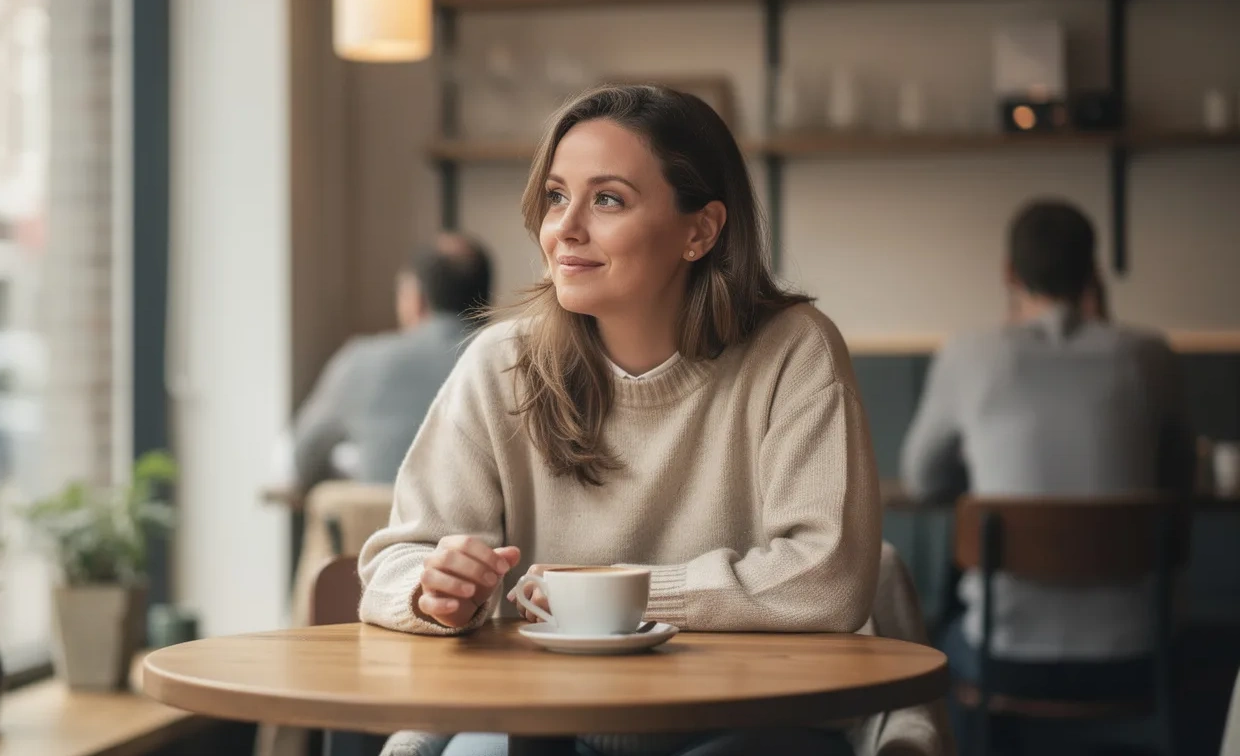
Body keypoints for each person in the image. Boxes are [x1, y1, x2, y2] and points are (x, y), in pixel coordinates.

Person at [358, 85, 881, 756]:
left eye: (607, 199)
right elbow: (396, 561)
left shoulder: (794, 351)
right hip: (547, 720)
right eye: (555, 196)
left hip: (742, 726)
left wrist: (607, 596)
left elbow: (827, 579)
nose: (565, 228)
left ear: (701, 230)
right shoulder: (500, 363)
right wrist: (436, 591)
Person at [901, 200, 1194, 735]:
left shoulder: (971, 355)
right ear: (1093, 272)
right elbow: (1178, 479)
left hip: (1004, 655)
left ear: (1009, 274)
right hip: (1137, 654)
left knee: (936, 633)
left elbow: (922, 477)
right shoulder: (1151, 356)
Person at [292, 233, 493, 489]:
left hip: (372, 526)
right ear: (487, 302)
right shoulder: (509, 365)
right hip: (477, 528)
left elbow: (302, 458)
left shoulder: (360, 362)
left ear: (416, 299)